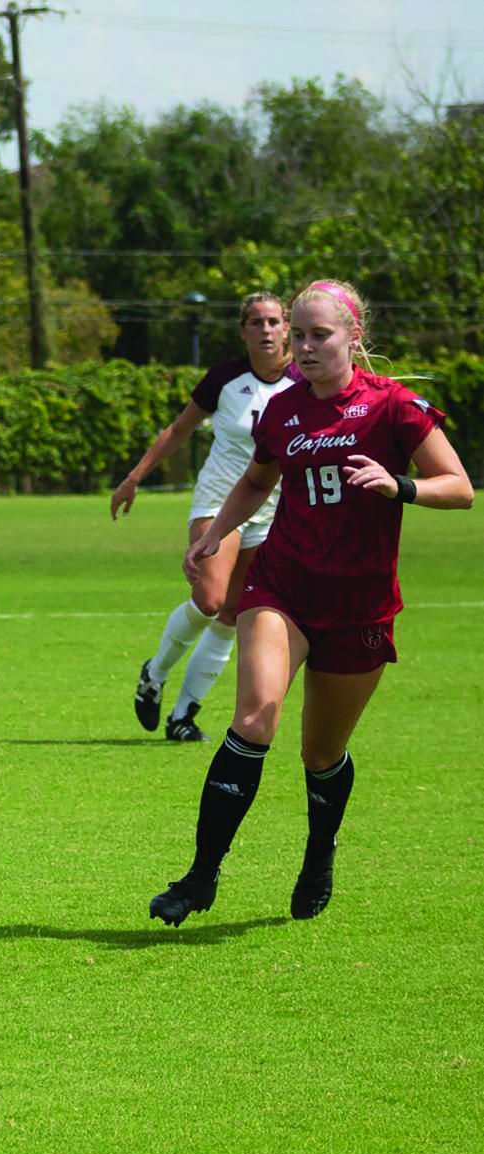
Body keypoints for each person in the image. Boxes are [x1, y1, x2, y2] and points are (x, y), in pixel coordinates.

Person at [150, 279, 471, 927]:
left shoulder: (393, 406)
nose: (301, 346)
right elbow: (256, 479)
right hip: (283, 588)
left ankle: (318, 855)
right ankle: (199, 876)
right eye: (296, 335)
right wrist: (213, 536)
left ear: (353, 336)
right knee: (254, 717)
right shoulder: (282, 409)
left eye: (316, 334)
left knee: (319, 755)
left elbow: (459, 488)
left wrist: (397, 485)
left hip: (357, 605)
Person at [112, 293, 297, 741]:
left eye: (274, 321)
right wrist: (134, 476)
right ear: (243, 332)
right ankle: (154, 674)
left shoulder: (304, 383)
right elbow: (179, 430)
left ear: (288, 328)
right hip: (218, 503)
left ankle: (183, 715)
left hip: (270, 510)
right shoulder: (224, 380)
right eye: (256, 322)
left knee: (233, 613)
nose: (266, 330)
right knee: (210, 599)